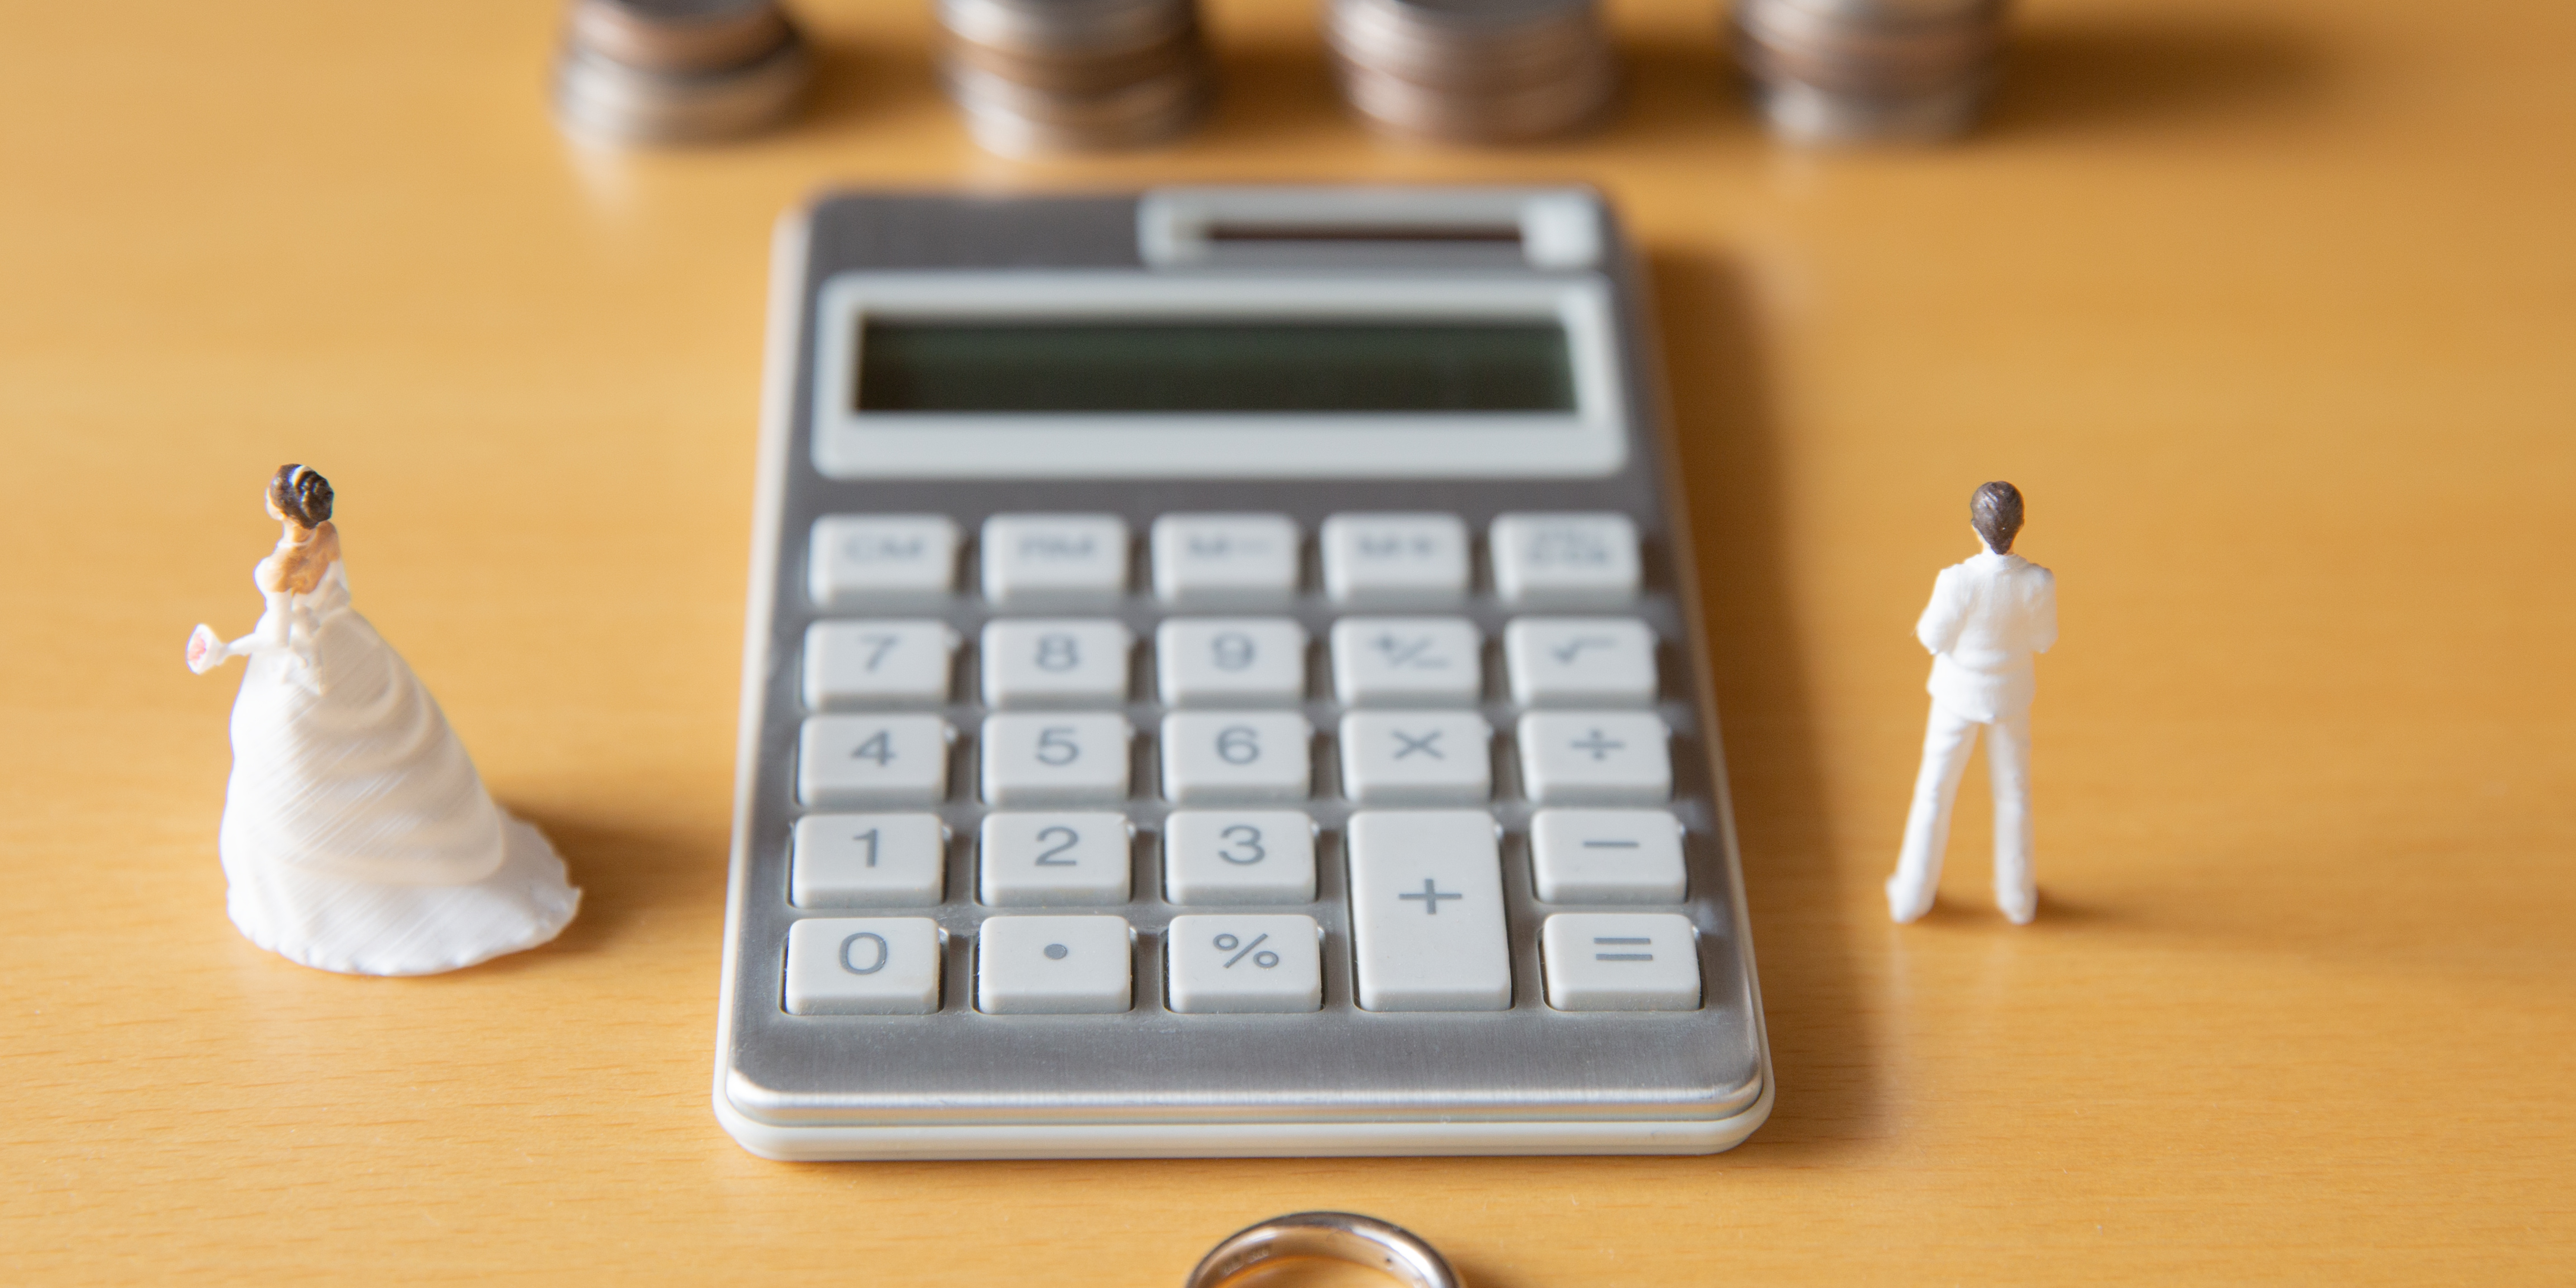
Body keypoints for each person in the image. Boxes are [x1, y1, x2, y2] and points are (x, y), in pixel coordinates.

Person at [186, 465, 579, 974]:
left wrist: (225, 650)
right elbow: (340, 592)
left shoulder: (283, 566)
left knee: (292, 758)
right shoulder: (328, 536)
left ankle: (350, 895)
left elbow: (279, 638)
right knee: (379, 734)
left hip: (298, 672)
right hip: (348, 640)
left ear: (280, 508)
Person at [1886, 481, 2057, 924]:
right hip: (2011, 696)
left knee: (1934, 792)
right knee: (2014, 793)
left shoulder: (1957, 580)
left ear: (1973, 527)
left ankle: (1912, 896)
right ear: (2020, 526)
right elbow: (2045, 639)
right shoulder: (2038, 582)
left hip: (1957, 696)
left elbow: (1931, 637)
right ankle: (2018, 898)